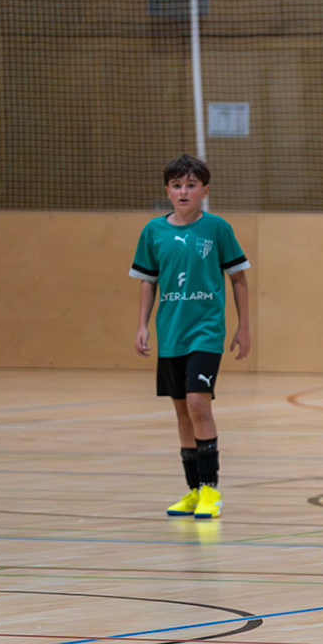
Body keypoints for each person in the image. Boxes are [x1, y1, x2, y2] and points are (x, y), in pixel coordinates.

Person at [130, 155, 251, 518]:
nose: (183, 191)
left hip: (206, 332)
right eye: (177, 185)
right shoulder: (153, 231)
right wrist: (142, 324)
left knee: (199, 403)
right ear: (167, 191)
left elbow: (239, 277)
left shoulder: (217, 229)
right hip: (171, 334)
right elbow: (148, 282)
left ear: (205, 190)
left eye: (191, 185)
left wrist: (244, 326)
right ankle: (194, 491)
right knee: (182, 410)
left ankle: (211, 489)